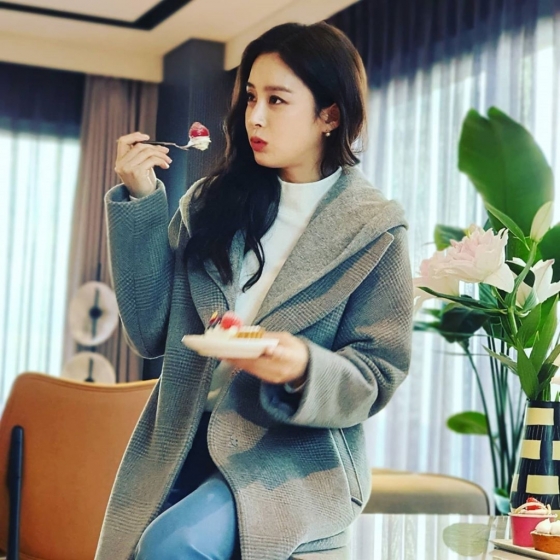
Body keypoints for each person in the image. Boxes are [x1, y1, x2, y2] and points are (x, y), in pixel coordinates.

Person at [94, 21, 413, 560]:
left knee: (171, 546)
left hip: (287, 458)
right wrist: (141, 198)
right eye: (250, 98)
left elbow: (377, 375)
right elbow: (149, 332)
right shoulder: (208, 203)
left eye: (277, 100)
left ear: (330, 115)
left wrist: (301, 367)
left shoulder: (375, 230)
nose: (255, 117)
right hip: (178, 437)